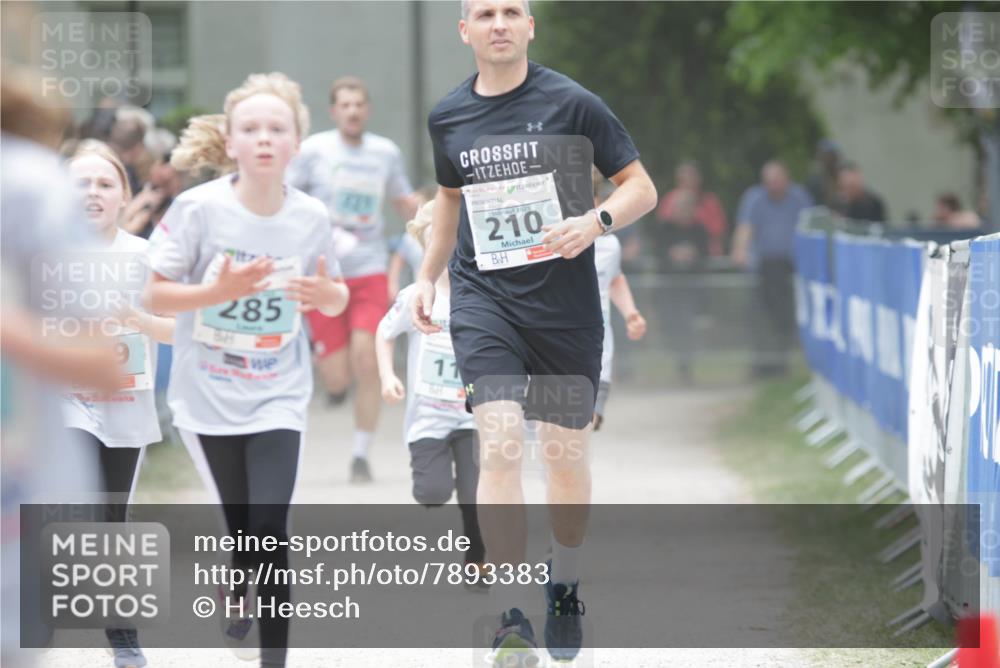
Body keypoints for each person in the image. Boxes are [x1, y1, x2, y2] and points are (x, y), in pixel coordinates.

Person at [416, 1, 657, 663]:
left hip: (565, 313)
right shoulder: (448, 116)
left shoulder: (574, 104)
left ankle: (565, 583)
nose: (499, 22)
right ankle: (511, 614)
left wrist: (596, 222)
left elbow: (641, 187)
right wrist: (428, 276)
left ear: (530, 27)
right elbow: (448, 198)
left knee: (563, 458)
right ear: (464, 30)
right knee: (496, 443)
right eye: (485, 13)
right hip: (486, 301)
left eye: (512, 11)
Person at [146, 72, 349, 668]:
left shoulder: (311, 216)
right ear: (230, 143)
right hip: (207, 390)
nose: (264, 138)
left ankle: (273, 659)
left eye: (276, 129)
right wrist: (217, 291)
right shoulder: (198, 209)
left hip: (277, 391)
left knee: (268, 526)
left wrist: (324, 294)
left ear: (296, 145)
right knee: (241, 531)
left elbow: (335, 296)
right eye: (251, 129)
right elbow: (155, 295)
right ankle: (237, 576)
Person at [62, 140, 176, 668]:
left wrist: (139, 322)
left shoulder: (144, 257)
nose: (92, 192)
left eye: (105, 184)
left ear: (123, 195)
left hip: (125, 406)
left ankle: (123, 637)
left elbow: (181, 330)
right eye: (80, 182)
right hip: (61, 402)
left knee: (112, 517)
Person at [287, 76, 421, 483]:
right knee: (337, 375)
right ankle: (334, 384)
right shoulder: (313, 151)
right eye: (344, 105)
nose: (352, 111)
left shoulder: (385, 153)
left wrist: (438, 222)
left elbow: (404, 200)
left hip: (369, 267)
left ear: (367, 109)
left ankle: (361, 454)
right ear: (333, 111)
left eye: (359, 104)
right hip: (324, 271)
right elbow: (285, 197)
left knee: (368, 358)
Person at [375, 200, 487, 588]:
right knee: (432, 493)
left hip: (473, 416)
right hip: (428, 417)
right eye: (436, 241)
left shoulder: (484, 296)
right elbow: (384, 334)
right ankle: (444, 476)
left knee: (475, 494)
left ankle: (477, 558)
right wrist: (387, 376)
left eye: (454, 239)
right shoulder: (414, 297)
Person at [731, 160, 814, 377]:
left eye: (778, 181)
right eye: (769, 182)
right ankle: (761, 363)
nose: (774, 186)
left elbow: (810, 228)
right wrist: (740, 250)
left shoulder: (799, 197)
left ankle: (782, 363)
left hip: (790, 269)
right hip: (763, 270)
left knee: (784, 318)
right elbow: (745, 228)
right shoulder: (754, 198)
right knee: (759, 317)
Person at [591, 168, 647, 426]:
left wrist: (630, 312)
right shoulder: (547, 243)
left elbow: (613, 278)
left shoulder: (608, 245)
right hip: (552, 359)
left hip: (597, 357)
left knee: (583, 425)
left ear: (598, 201)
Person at [651, 189, 708, 383]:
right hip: (669, 290)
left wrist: (692, 255)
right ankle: (675, 366)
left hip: (692, 290)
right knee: (671, 327)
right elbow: (658, 256)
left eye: (687, 207)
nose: (683, 211)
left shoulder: (700, 230)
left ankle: (686, 368)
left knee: (688, 327)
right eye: (680, 207)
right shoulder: (664, 229)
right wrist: (672, 255)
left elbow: (706, 257)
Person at [654, 161, 727, 255]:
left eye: (691, 178)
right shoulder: (669, 199)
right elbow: (663, 229)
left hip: (704, 249)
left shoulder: (709, 201)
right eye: (683, 179)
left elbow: (718, 231)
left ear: (698, 179)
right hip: (672, 251)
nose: (687, 182)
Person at [805, 138, 842, 208]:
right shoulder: (815, 181)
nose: (832, 159)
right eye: (829, 155)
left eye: (834, 155)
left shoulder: (842, 176)